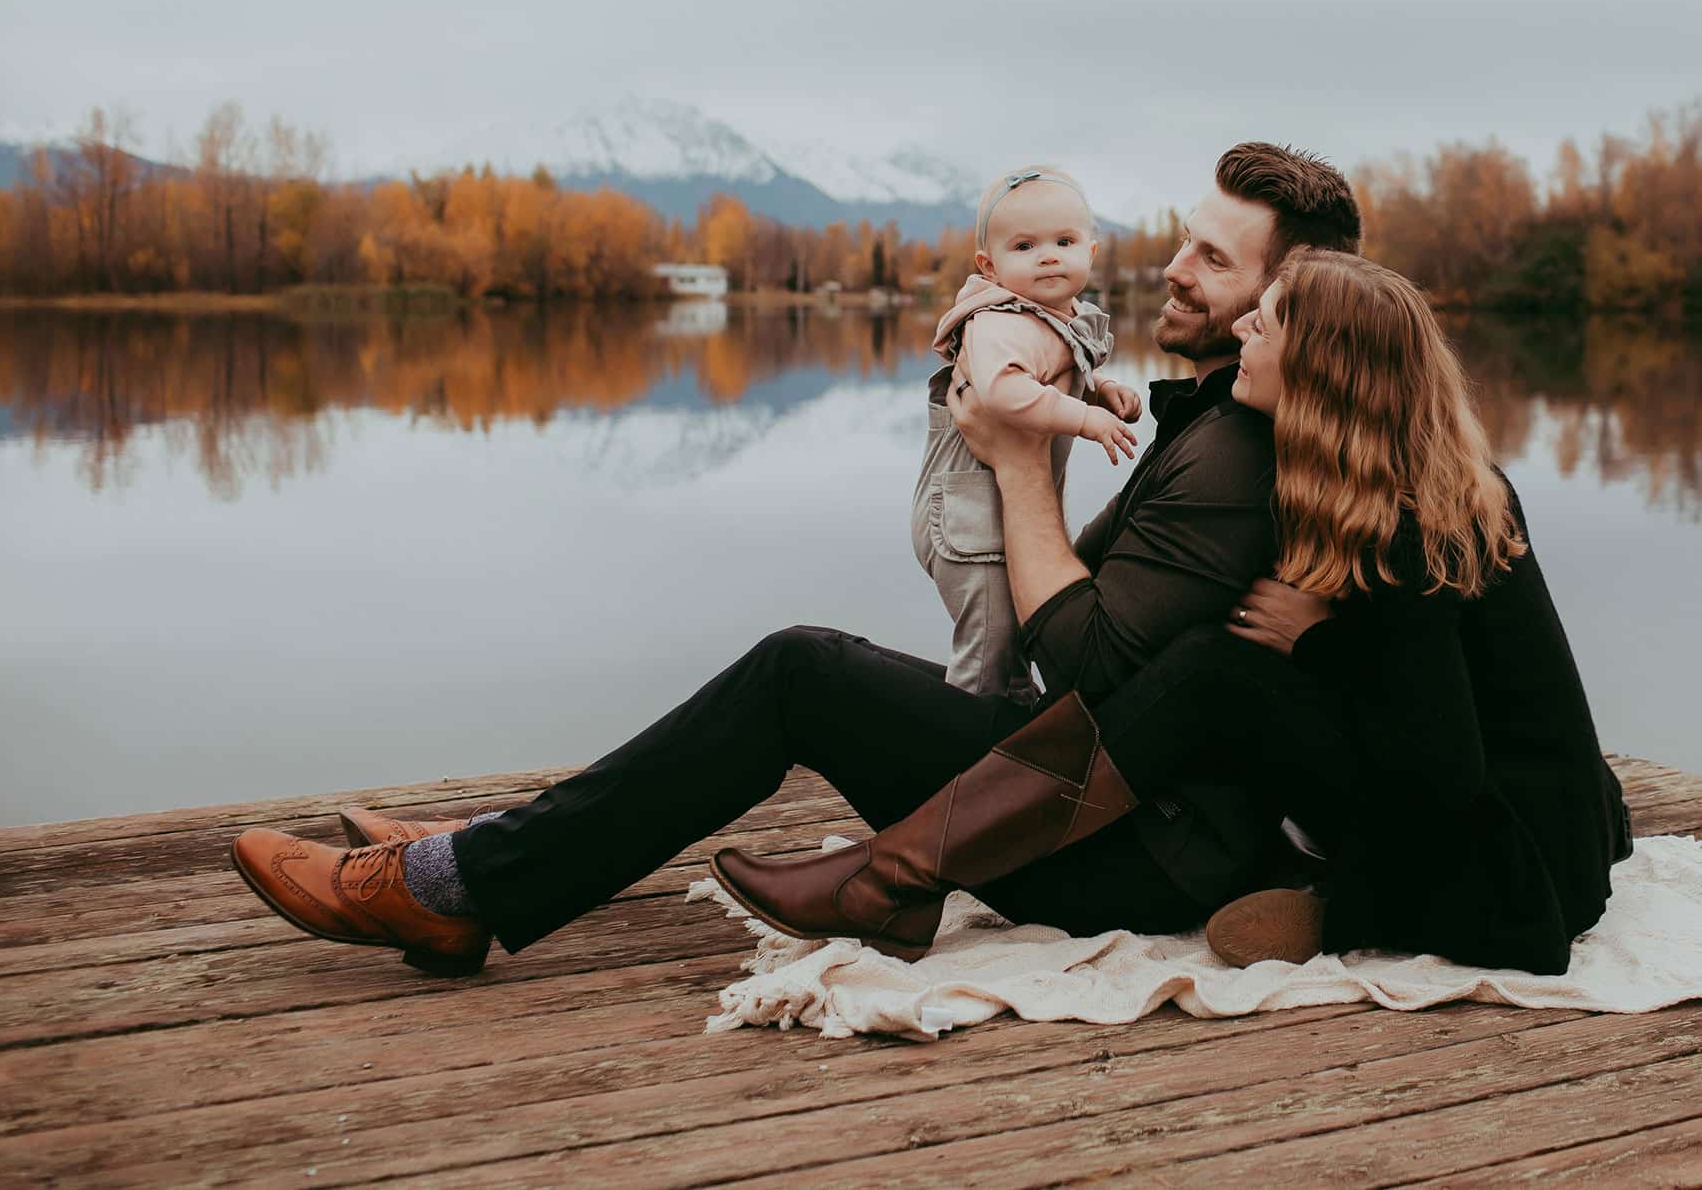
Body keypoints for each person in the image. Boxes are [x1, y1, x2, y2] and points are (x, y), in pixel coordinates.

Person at [229, 143, 1363, 977]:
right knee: (809, 671)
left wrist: (1018, 467)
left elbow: (1085, 664)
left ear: (1286, 292)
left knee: (800, 674)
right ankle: (482, 854)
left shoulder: (1232, 459)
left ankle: (459, 887)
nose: (1173, 267)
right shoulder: (1219, 422)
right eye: (1183, 237)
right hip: (1082, 798)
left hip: (1114, 847)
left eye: (1212, 259)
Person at [719, 251, 1631, 977]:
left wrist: (1320, 645)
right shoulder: (1390, 481)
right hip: (1497, 816)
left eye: (1263, 321)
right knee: (1216, 669)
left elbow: (1438, 775)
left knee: (1211, 671)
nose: (1241, 327)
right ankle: (901, 877)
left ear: (1320, 368)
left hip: (1514, 879)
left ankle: (896, 878)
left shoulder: (1415, 525)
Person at [916, 165, 1139, 702]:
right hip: (970, 521)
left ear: (1091, 249)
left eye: (1064, 241)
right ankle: (957, 757)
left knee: (1013, 645)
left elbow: (1053, 372)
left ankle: (1012, 735)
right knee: (988, 649)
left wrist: (1099, 390)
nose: (1047, 255)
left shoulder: (1054, 316)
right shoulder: (1000, 321)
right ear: (989, 266)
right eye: (1024, 245)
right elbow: (1002, 392)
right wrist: (1086, 419)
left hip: (994, 514)